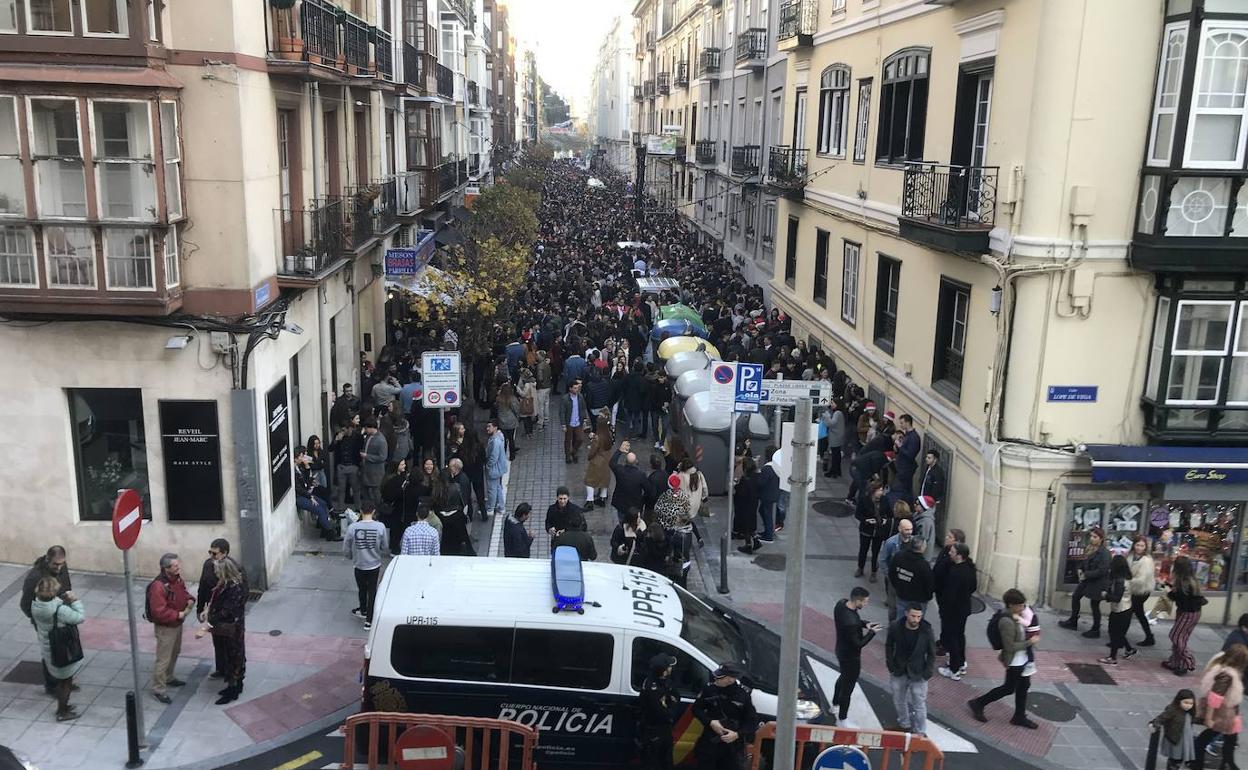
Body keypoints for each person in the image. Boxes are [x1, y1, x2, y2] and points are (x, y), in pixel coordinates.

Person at [968, 588, 1040, 729]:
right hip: (1014, 661)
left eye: (1023, 605)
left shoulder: (1017, 617)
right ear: (1011, 605)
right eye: (1019, 605)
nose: (1022, 608)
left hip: (1023, 659)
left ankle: (1019, 716)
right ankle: (978, 703)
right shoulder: (1006, 622)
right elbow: (1010, 647)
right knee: (1008, 688)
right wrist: (1029, 642)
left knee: (1024, 686)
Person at [30, 576, 85, 721]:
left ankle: (64, 706)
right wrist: (74, 601)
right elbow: (79, 617)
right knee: (65, 682)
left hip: (49, 647)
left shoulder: (36, 604)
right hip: (61, 649)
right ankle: (62, 711)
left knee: (62, 680)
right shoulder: (59, 610)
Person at [20, 545, 73, 695]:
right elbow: (25, 604)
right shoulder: (35, 577)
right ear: (47, 560)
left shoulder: (61, 567)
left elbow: (66, 585)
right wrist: (40, 617)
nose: (59, 567)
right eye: (56, 564)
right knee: (50, 653)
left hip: (62, 615)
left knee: (66, 649)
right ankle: (52, 685)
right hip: (45, 621)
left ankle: (65, 681)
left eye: (62, 563)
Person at [147, 553, 195, 704]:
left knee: (175, 652)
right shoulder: (158, 586)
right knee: (163, 659)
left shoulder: (177, 579)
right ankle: (158, 689)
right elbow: (158, 611)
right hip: (166, 627)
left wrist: (189, 599)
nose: (178, 567)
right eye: (175, 566)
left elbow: (182, 592)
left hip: (176, 623)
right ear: (165, 568)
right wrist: (179, 614)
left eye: (178, 564)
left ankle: (169, 677)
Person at [692, 663, 759, 770]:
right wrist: (710, 722)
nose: (716, 679)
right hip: (710, 742)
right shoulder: (709, 689)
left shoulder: (742, 695)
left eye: (720, 677)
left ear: (731, 679)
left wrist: (737, 734)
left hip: (732, 748)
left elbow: (752, 721)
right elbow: (696, 709)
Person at [884, 603, 936, 736]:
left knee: (919, 704)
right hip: (899, 670)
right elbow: (889, 645)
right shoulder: (896, 627)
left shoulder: (926, 630)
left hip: (919, 673)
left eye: (919, 616)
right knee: (898, 699)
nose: (916, 619)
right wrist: (890, 664)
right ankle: (904, 723)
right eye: (913, 616)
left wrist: (928, 672)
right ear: (906, 613)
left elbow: (931, 652)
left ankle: (920, 732)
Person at [1193, 644, 1247, 769]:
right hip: (1222, 713)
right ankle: (1198, 763)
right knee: (1205, 738)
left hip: (1228, 712)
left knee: (1230, 739)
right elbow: (1215, 696)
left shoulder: (1223, 668)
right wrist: (1208, 718)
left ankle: (1227, 763)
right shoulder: (1227, 675)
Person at [833, 587, 881, 724]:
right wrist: (872, 632)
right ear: (858, 600)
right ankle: (842, 718)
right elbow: (858, 644)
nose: (866, 604)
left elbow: (855, 621)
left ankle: (835, 703)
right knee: (848, 687)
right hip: (851, 657)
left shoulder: (841, 604)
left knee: (843, 676)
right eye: (865, 602)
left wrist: (865, 624)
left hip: (840, 650)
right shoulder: (851, 622)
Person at [204, 557, 247, 705]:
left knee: (234, 656)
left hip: (232, 629)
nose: (215, 573)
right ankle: (234, 686)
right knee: (228, 656)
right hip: (225, 629)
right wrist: (207, 610)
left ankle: (233, 690)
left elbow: (227, 611)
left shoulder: (234, 587)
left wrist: (209, 623)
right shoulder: (224, 584)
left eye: (217, 570)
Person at [1058, 527, 1110, 638]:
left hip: (1097, 582)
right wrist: (1080, 570)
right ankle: (1073, 621)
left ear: (1101, 539)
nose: (1092, 539)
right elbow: (1083, 562)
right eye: (1091, 536)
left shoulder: (1104, 553)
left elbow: (1102, 570)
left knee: (1094, 604)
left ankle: (1096, 629)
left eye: (1095, 537)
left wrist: (1086, 574)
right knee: (1076, 596)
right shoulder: (1089, 548)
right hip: (1086, 580)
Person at [935, 542, 976, 681]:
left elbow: (949, 595)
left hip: (952, 611)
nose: (950, 554)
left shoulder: (955, 573)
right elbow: (973, 587)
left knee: (952, 638)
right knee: (960, 635)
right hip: (964, 608)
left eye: (952, 552)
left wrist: (944, 609)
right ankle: (961, 662)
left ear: (959, 555)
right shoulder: (970, 568)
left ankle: (953, 669)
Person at [344, 502, 389, 627]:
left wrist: (350, 556)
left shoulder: (353, 527)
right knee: (372, 590)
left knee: (362, 588)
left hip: (359, 564)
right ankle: (369, 620)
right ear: (373, 511)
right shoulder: (380, 527)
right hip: (374, 564)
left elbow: (346, 547)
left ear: (361, 511)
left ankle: (363, 610)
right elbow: (385, 546)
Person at [196, 539, 234, 680]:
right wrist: (200, 609)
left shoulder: (233, 567)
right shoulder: (208, 565)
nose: (211, 556)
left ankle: (232, 673)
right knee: (217, 642)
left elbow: (240, 595)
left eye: (214, 553)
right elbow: (202, 587)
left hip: (227, 614)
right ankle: (221, 669)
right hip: (213, 610)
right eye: (210, 552)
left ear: (224, 553)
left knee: (229, 644)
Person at [1163, 555, 1207, 676]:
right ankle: (1176, 663)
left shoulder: (1185, 582)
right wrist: (1171, 589)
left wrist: (1169, 592)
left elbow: (1179, 597)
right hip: (1189, 611)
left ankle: (1188, 661)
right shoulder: (1189, 579)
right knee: (1181, 637)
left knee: (1176, 636)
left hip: (1189, 612)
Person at [638, 653, 679, 770]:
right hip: (654, 732)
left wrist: (671, 704)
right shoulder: (651, 687)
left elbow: (676, 696)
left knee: (667, 762)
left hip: (665, 730)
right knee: (652, 763)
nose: (671, 668)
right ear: (663, 670)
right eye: (669, 666)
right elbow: (662, 712)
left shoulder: (665, 681)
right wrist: (671, 707)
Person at [1100, 555, 1138, 665]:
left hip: (1120, 610)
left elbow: (1117, 598)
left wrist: (1106, 595)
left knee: (1114, 633)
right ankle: (1129, 650)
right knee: (1119, 633)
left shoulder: (1120, 581)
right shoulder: (1126, 578)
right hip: (1125, 609)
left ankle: (1112, 658)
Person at [1150, 688, 1197, 770]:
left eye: (1191, 703)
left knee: (1180, 757)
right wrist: (1155, 724)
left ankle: (1175, 766)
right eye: (1185, 702)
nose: (1188, 705)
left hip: (1185, 738)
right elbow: (1162, 718)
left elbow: (1194, 719)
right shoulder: (1173, 710)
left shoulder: (1190, 712)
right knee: (1175, 758)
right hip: (1175, 738)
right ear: (1179, 701)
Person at [889, 539, 934, 622]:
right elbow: (929, 584)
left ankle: (899, 634)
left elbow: (891, 574)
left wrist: (898, 587)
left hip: (901, 595)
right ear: (922, 548)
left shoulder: (898, 556)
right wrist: (928, 596)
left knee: (901, 620)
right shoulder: (924, 565)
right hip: (919, 600)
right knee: (916, 622)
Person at [878, 515, 914, 615]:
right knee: (893, 605)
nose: (909, 532)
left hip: (908, 578)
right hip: (894, 578)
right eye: (906, 530)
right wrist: (888, 575)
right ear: (899, 529)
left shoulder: (914, 541)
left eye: (911, 529)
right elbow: (882, 559)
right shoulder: (891, 543)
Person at [854, 482, 891, 581]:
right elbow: (858, 514)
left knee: (875, 552)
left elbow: (890, 514)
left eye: (882, 490)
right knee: (863, 550)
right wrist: (866, 520)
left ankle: (874, 571)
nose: (882, 492)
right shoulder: (864, 500)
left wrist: (885, 520)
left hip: (879, 531)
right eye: (880, 490)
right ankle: (860, 567)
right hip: (866, 530)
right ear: (873, 491)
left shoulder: (885, 500)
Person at [610, 441, 652, 523]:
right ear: (636, 462)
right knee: (634, 524)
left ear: (625, 461)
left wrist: (619, 451)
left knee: (622, 523)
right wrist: (642, 500)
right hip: (635, 506)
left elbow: (612, 463)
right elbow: (648, 490)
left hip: (621, 505)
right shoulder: (641, 475)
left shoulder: (620, 470)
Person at [1128, 535, 1157, 647]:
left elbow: (1141, 579)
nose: (1139, 548)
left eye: (1142, 546)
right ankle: (1149, 637)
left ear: (1145, 547)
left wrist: (1127, 581)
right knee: (1139, 613)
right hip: (1133, 589)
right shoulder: (1131, 556)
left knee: (1129, 612)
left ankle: (1119, 637)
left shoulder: (1146, 560)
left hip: (1142, 590)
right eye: (1137, 545)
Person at [585, 413, 614, 508]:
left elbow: (593, 451)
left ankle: (590, 501)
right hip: (606, 461)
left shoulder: (598, 438)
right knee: (604, 480)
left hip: (597, 462)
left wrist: (589, 456)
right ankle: (602, 498)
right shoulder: (609, 435)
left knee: (589, 481)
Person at [359, 419, 388, 511]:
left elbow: (382, 457)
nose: (365, 430)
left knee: (376, 494)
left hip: (375, 472)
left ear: (371, 428)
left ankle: (379, 510)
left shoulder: (381, 440)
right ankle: (368, 509)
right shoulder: (368, 436)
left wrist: (367, 456)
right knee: (365, 491)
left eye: (366, 428)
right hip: (366, 470)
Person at [561, 378, 591, 463]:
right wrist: (563, 424)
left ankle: (574, 451)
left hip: (578, 422)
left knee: (580, 439)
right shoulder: (565, 399)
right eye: (574, 388)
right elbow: (562, 412)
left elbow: (583, 408)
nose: (576, 390)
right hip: (569, 423)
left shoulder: (580, 397)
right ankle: (568, 456)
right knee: (568, 440)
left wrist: (585, 419)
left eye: (577, 388)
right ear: (570, 389)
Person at [485, 420, 510, 517]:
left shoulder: (495, 441)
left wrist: (488, 466)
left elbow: (493, 457)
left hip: (494, 469)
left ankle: (490, 508)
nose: (487, 428)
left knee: (492, 489)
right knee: (498, 487)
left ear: (495, 428)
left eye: (489, 426)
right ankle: (501, 507)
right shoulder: (500, 437)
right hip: (500, 468)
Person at [757, 448, 781, 543]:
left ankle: (768, 535)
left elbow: (761, 482)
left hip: (767, 495)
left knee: (767, 514)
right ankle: (767, 531)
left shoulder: (768, 468)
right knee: (763, 511)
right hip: (774, 493)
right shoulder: (777, 466)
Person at [893, 414, 921, 497]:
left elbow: (910, 454)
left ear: (908, 423)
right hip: (902, 467)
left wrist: (900, 446)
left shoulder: (914, 437)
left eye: (902, 423)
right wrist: (897, 448)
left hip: (906, 469)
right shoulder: (907, 435)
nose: (900, 425)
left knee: (904, 490)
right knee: (903, 489)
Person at [496, 382, 522, 459]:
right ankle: (512, 455)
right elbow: (516, 409)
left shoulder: (498, 399)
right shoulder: (512, 399)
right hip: (511, 421)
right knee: (511, 439)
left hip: (501, 421)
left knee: (503, 439)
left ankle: (502, 456)